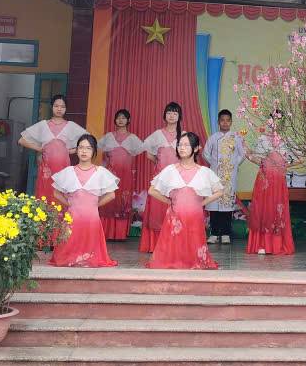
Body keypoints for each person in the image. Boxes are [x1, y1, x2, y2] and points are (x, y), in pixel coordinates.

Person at [147, 131, 225, 270]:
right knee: (174, 245)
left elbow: (219, 191)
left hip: (195, 216)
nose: (181, 148)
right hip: (175, 217)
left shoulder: (204, 171)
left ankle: (194, 262)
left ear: (195, 148)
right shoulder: (171, 170)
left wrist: (202, 203)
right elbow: (152, 190)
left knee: (194, 243)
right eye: (180, 145)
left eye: (186, 145)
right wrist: (169, 202)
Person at [49, 134, 119, 268]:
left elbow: (111, 195)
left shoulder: (100, 172)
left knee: (91, 255)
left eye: (88, 148)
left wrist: (95, 205)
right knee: (66, 255)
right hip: (72, 217)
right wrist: (69, 204)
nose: (84, 151)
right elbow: (56, 193)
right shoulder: (68, 171)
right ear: (76, 150)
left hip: (92, 218)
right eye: (81, 148)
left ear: (94, 151)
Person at [19, 95, 88, 205]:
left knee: (62, 197)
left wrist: (72, 151)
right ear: (51, 107)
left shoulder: (71, 126)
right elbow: (21, 140)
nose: (59, 109)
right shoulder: (43, 125)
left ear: (66, 108)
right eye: (56, 106)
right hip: (46, 170)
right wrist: (39, 148)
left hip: (63, 169)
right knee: (45, 196)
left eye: (62, 106)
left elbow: (88, 141)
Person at [247, 113, 295, 255]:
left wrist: (282, 165)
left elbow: (294, 159)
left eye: (279, 121)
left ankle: (277, 245)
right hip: (265, 180)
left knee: (278, 210)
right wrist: (250, 155)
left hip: (279, 180)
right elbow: (254, 158)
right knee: (263, 210)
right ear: (269, 122)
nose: (276, 124)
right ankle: (261, 244)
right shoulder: (262, 139)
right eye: (273, 120)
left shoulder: (287, 140)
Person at [139, 102, 182, 253]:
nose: (172, 116)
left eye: (175, 113)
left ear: (179, 116)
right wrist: (160, 165)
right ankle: (155, 245)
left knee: (176, 210)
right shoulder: (157, 134)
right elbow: (149, 154)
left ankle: (174, 245)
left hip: (178, 180)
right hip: (160, 179)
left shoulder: (183, 135)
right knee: (157, 212)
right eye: (169, 112)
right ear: (164, 115)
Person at [96, 109, 142, 241]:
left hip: (126, 176)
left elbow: (144, 148)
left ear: (128, 120)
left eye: (123, 118)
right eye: (118, 118)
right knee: (109, 201)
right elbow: (97, 147)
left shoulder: (133, 138)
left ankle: (120, 234)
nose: (120, 120)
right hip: (110, 175)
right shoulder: (108, 136)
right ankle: (106, 232)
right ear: (115, 120)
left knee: (123, 202)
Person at [202, 109, 245, 245]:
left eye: (228, 120)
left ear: (231, 122)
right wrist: (215, 164)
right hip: (215, 175)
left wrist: (234, 164)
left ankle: (226, 233)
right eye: (222, 120)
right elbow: (205, 153)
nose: (225, 123)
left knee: (227, 205)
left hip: (229, 176)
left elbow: (242, 154)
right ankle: (214, 233)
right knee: (214, 205)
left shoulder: (236, 138)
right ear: (218, 122)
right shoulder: (213, 138)